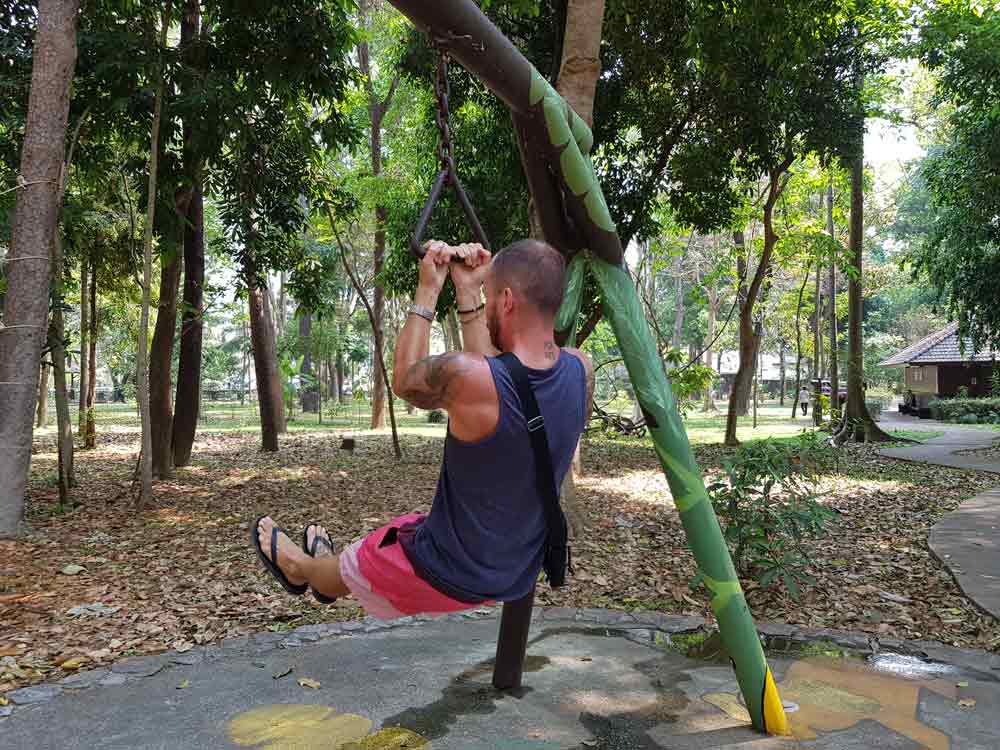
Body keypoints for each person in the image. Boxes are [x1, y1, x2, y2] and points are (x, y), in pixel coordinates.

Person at [251, 239, 593, 618]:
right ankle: (327, 563)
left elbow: (405, 379)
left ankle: (304, 570)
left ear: (508, 300)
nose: (489, 302)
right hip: (515, 571)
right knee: (402, 529)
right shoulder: (581, 370)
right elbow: (504, 378)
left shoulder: (470, 378)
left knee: (355, 563)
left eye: (490, 296)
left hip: (447, 572)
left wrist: (429, 287)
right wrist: (468, 290)